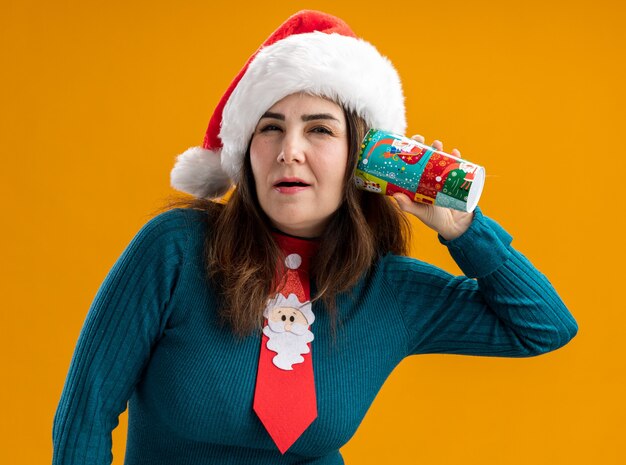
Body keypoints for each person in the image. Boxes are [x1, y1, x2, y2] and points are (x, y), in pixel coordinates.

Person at [52, 10, 578, 465]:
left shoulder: (390, 290)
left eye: (321, 129)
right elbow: (84, 417)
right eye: (270, 127)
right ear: (245, 151)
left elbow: (543, 327)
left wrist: (465, 231)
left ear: (361, 157)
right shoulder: (175, 249)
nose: (290, 151)